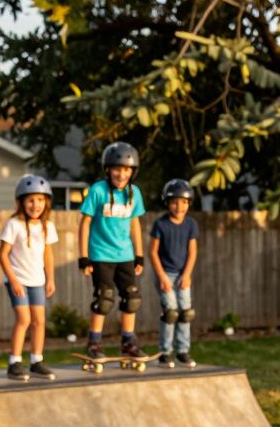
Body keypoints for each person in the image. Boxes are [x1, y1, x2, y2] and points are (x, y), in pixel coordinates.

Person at [79, 142, 146, 360]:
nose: (121, 174)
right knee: (104, 299)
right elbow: (85, 223)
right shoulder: (98, 191)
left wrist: (139, 255)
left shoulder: (134, 193)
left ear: (132, 171)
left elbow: (135, 224)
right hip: (100, 255)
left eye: (126, 169)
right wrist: (83, 257)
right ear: (107, 169)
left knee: (131, 298)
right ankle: (94, 343)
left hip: (125, 255)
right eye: (117, 169)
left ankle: (128, 343)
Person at [0, 174, 59, 381]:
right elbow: (2, 255)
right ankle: (14, 362)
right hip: (18, 280)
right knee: (24, 319)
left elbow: (47, 254)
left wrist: (50, 278)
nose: (36, 205)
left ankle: (36, 361)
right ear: (21, 202)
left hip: (37, 280)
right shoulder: (13, 224)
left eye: (40, 200)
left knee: (39, 321)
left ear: (46, 202)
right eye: (31, 200)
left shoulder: (47, 226)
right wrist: (13, 280)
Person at [149, 179, 200, 368]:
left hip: (182, 275)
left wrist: (187, 275)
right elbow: (152, 251)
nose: (179, 207)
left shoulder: (191, 224)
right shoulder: (160, 224)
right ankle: (165, 352)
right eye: (175, 202)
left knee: (185, 313)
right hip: (166, 275)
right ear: (167, 202)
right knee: (170, 313)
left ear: (189, 203)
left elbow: (193, 251)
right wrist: (162, 277)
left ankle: (183, 351)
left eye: (184, 202)